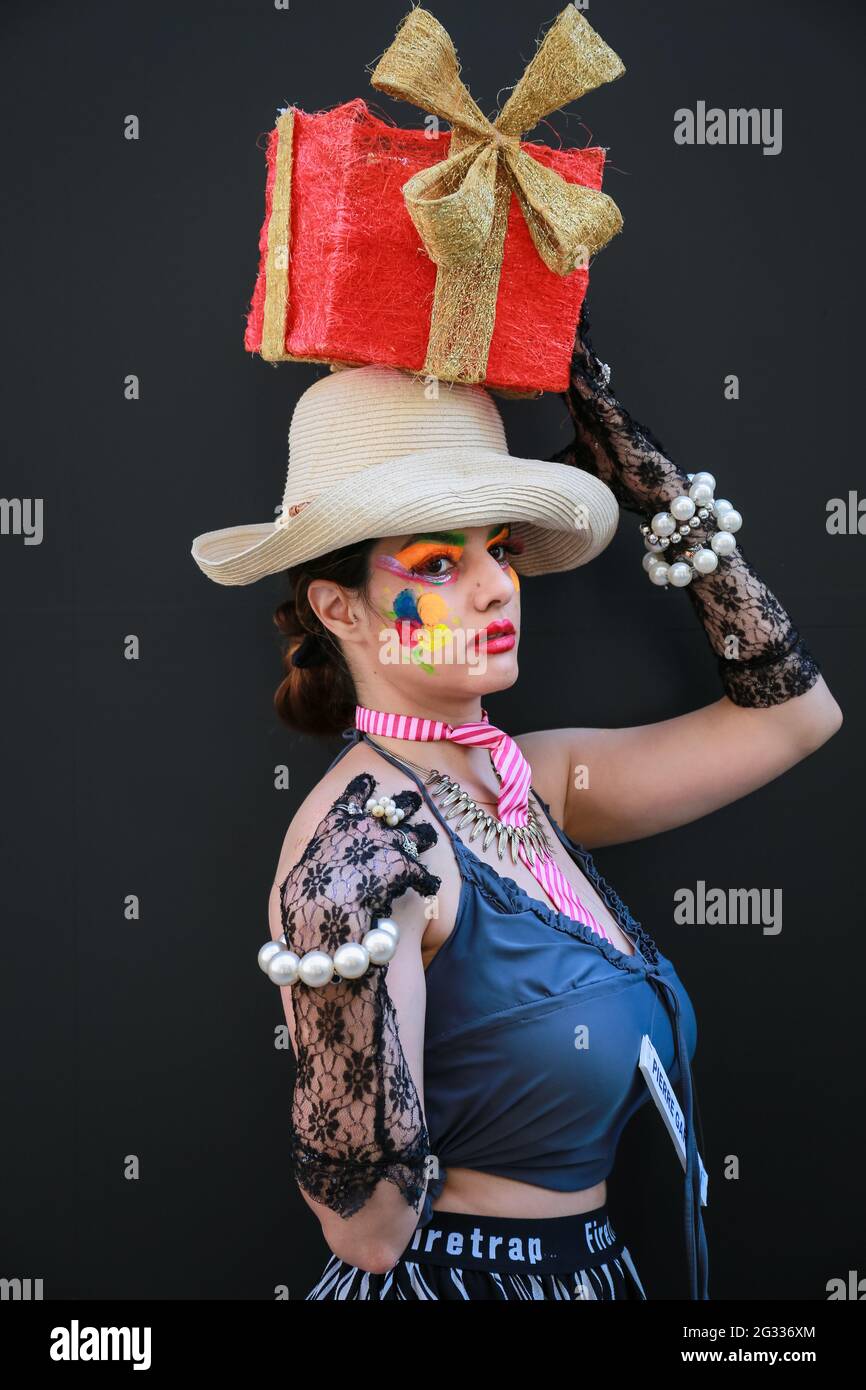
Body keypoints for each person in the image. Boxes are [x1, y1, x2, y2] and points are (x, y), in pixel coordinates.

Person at [191, 308, 842, 1300]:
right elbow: (366, 1230)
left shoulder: (527, 784)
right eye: (440, 564)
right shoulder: (364, 837)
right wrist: (340, 957)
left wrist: (653, 489)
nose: (501, 586)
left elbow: (791, 719)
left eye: (498, 547)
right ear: (339, 609)